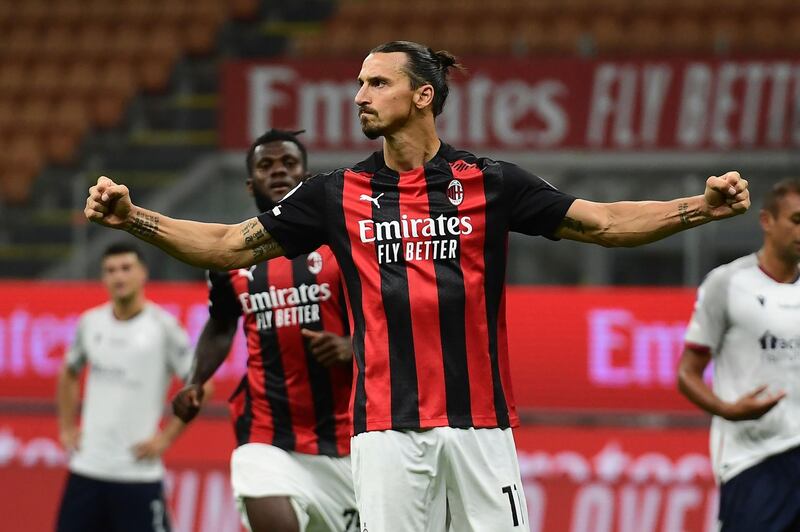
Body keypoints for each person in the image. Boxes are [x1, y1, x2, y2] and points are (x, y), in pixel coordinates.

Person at [85, 41, 750, 531]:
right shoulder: (334, 194)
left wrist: (699, 208)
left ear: (423, 95)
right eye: (358, 84)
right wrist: (134, 218)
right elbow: (231, 244)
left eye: (377, 83)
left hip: (482, 428)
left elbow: (603, 223)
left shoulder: (491, 183)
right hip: (384, 434)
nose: (360, 96)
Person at [170, 129, 358, 532]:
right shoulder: (229, 256)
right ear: (251, 182)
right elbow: (222, 323)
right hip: (267, 432)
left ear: (306, 175)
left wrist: (351, 346)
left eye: (288, 164)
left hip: (352, 438)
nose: (278, 172)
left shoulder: (341, 245)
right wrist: (195, 380)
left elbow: (390, 319)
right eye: (266, 166)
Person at [55, 243, 209, 532]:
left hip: (138, 474)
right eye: (110, 270)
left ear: (143, 273)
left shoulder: (163, 327)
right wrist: (66, 427)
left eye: (126, 268)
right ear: (103, 278)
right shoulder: (90, 323)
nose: (118, 277)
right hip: (87, 469)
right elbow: (68, 372)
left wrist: (165, 438)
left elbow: (202, 384)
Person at [678, 178, 800, 532]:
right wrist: (729, 410)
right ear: (767, 221)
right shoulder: (728, 283)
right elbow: (687, 373)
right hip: (754, 459)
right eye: (796, 220)